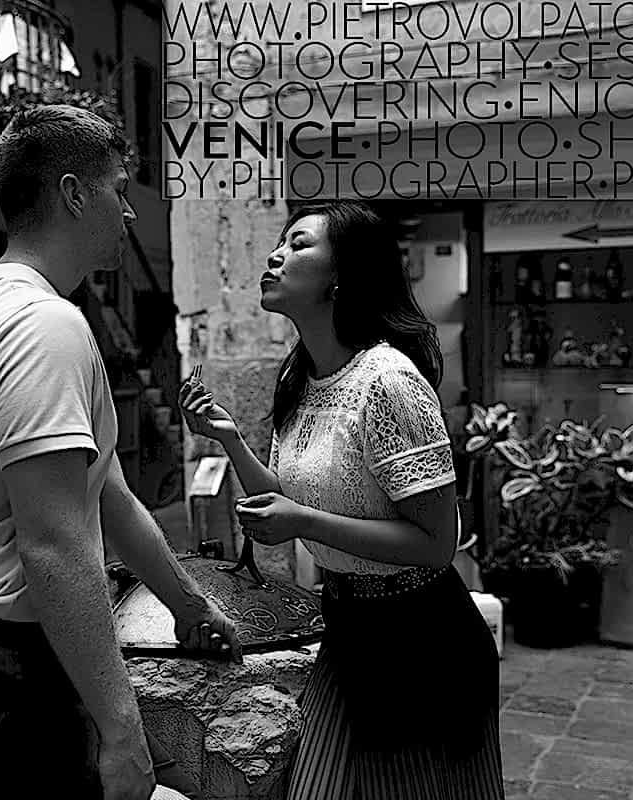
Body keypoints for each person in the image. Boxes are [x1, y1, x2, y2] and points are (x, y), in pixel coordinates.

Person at [0, 104, 241, 800]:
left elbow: (108, 493)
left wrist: (188, 605)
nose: (129, 213)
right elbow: (54, 544)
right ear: (73, 193)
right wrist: (124, 735)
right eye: (120, 188)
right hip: (7, 673)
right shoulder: (42, 326)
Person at [180, 201, 504, 799]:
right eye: (280, 241)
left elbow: (436, 545)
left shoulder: (388, 381)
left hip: (422, 646)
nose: (276, 254)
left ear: (342, 276)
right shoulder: (300, 379)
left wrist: (302, 521)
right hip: (349, 631)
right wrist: (228, 439)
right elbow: (284, 501)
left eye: (299, 244)